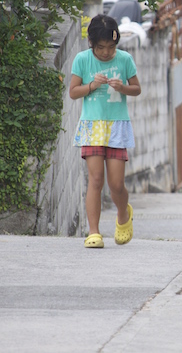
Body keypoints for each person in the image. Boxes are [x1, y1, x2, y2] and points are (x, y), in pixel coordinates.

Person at [69, 14, 141, 248]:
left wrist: (123, 88)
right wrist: (92, 85)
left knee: (116, 184)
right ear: (91, 43)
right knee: (96, 179)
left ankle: (123, 215)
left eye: (111, 47)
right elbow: (73, 92)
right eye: (101, 47)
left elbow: (137, 89)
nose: (106, 52)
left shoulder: (125, 59)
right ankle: (94, 232)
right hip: (92, 125)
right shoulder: (82, 60)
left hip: (117, 125)